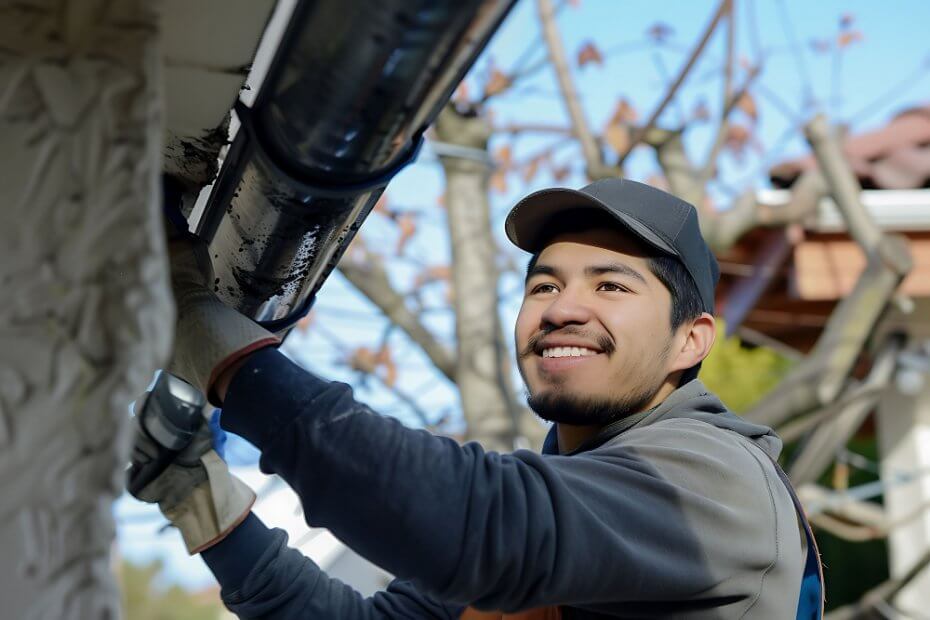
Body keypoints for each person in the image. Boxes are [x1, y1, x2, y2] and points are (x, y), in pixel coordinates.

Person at [130, 178, 823, 618]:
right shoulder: (560, 507)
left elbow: (468, 522)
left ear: (690, 342)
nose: (562, 310)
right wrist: (198, 498)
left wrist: (199, 326)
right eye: (544, 286)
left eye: (611, 286)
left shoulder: (716, 481)